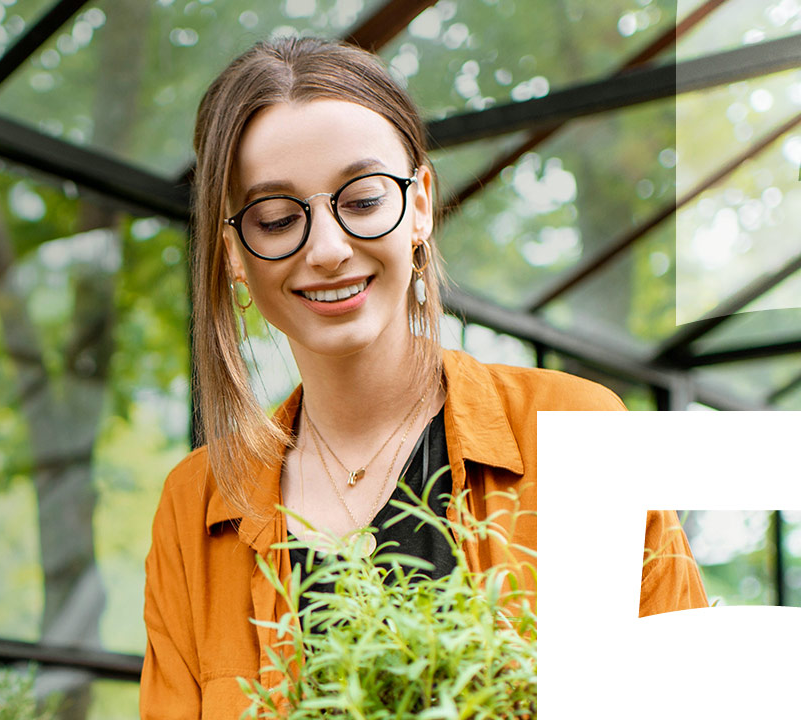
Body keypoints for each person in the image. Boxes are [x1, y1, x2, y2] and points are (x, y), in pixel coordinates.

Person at [140, 36, 709, 718]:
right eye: (277, 218)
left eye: (363, 200)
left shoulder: (574, 435)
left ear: (420, 206)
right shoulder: (194, 505)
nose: (326, 249)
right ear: (234, 251)